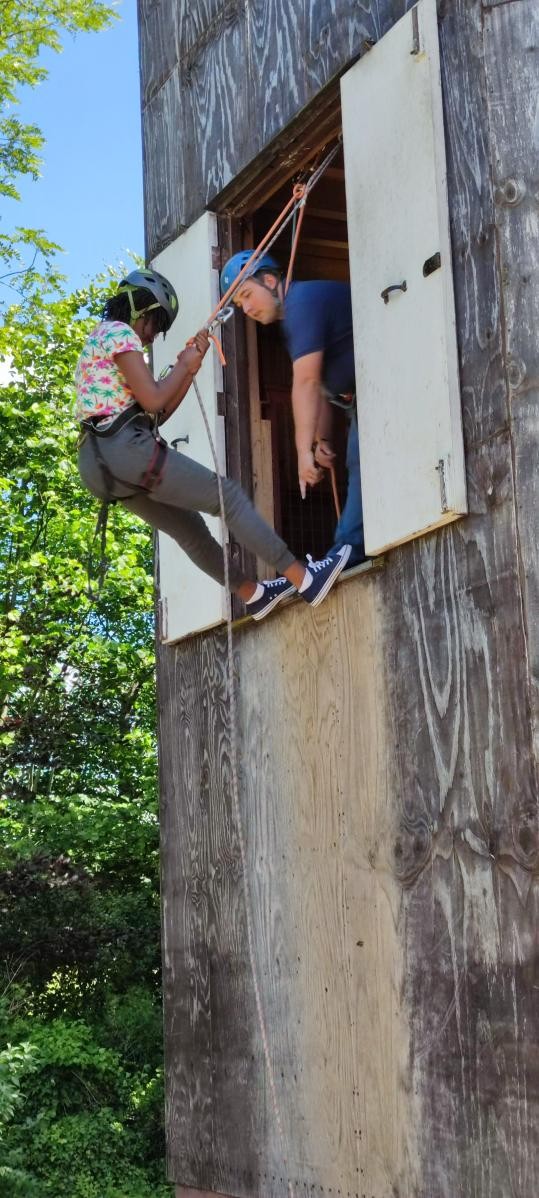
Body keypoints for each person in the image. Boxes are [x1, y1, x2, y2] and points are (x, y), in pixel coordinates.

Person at [75, 268, 351, 621]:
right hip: (125, 449)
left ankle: (253, 594)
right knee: (228, 498)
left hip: (99, 466)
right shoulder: (119, 333)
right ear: (141, 309)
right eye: (155, 325)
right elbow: (155, 400)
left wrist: (188, 368)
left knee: (189, 530)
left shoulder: (97, 344)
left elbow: (156, 413)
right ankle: (306, 579)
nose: (151, 337)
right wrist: (184, 366)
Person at [220, 253, 365, 567]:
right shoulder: (294, 318)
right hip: (361, 399)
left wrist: (302, 454)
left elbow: (307, 381)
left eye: (247, 295)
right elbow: (322, 387)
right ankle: (349, 548)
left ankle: (348, 551)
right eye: (240, 304)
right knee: (358, 458)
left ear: (270, 280)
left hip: (380, 387)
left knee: (360, 458)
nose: (246, 309)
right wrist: (321, 440)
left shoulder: (303, 303)